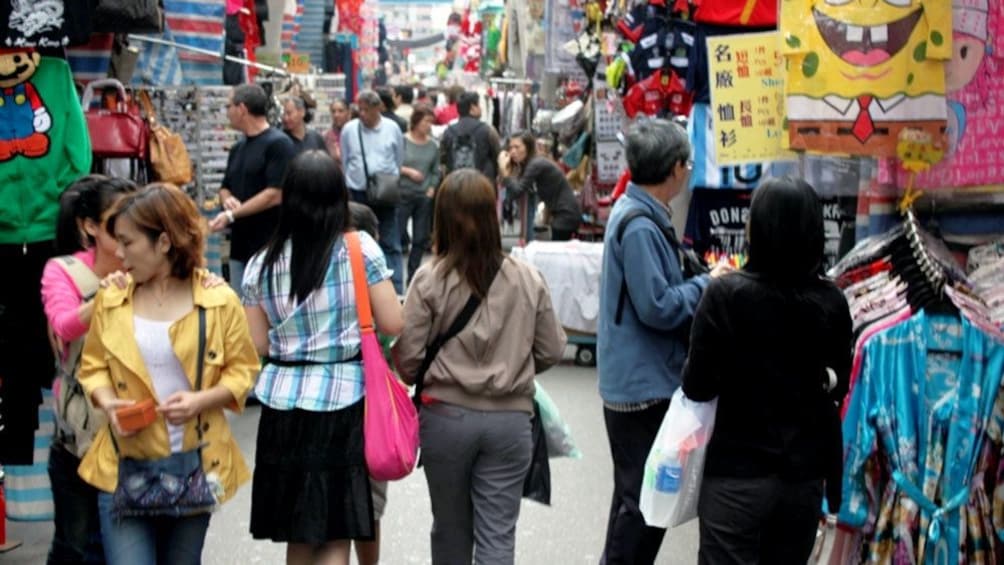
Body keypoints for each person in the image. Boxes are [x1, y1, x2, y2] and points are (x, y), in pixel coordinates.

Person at [77, 183, 260, 565]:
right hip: (123, 465)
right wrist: (111, 405)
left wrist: (200, 401)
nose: (119, 252)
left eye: (127, 242)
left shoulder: (217, 299)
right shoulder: (112, 298)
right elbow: (92, 367)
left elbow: (244, 370)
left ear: (163, 242)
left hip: (194, 464)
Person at [393, 169, 567, 565]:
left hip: (445, 419)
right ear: (492, 215)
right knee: (498, 537)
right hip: (510, 422)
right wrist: (514, 365)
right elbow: (553, 349)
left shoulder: (428, 280)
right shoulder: (527, 277)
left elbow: (408, 361)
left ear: (441, 219)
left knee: (450, 531)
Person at [243, 150, 403, 565]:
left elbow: (258, 344)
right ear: (339, 196)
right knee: (335, 530)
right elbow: (393, 321)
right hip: (342, 401)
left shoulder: (262, 263)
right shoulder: (358, 249)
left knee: (300, 531)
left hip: (282, 407)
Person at [682, 177, 852, 565]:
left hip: (735, 479)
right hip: (802, 480)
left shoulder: (725, 295)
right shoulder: (830, 302)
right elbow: (839, 382)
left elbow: (698, 386)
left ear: (755, 228)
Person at [597, 119, 731, 564]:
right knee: (643, 506)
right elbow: (656, 306)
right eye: (687, 164)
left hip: (637, 380)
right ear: (674, 168)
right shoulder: (639, 225)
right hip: (642, 387)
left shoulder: (641, 215)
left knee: (633, 502)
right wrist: (707, 285)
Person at [41, 175, 137, 564]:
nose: (129, 230)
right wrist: (106, 297)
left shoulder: (149, 266)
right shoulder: (63, 271)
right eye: (117, 220)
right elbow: (63, 326)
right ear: (90, 226)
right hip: (81, 437)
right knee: (75, 545)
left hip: (137, 430)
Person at [209, 84, 296, 298]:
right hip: (240, 246)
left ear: (242, 109)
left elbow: (275, 194)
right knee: (242, 307)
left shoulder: (278, 144)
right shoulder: (239, 148)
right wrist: (227, 199)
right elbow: (225, 186)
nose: (226, 111)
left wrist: (232, 214)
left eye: (228, 106)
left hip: (269, 244)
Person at [340, 89, 405, 294]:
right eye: (359, 109)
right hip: (358, 192)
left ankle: (395, 289)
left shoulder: (392, 128)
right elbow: (345, 159)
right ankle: (360, 287)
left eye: (366, 110)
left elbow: (399, 157)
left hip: (386, 192)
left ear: (378, 109)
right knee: (356, 240)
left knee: (390, 240)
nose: (362, 114)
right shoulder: (350, 129)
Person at [499, 130, 582, 242]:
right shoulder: (532, 163)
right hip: (562, 215)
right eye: (511, 148)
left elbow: (517, 191)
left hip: (565, 216)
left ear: (527, 147)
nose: (513, 152)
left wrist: (504, 171)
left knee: (556, 253)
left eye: (517, 147)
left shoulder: (535, 164)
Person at [397, 105, 441, 285]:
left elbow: (435, 170)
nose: (429, 125)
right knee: (398, 234)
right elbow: (392, 163)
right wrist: (408, 172)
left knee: (420, 237)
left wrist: (432, 188)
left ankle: (413, 275)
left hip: (423, 196)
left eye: (431, 122)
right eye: (425, 121)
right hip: (403, 193)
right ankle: (395, 274)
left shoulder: (433, 145)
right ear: (416, 122)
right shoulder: (402, 141)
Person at [440, 91, 501, 182]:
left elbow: (442, 160)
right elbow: (498, 157)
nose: (481, 109)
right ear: (472, 108)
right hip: (482, 185)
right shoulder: (488, 130)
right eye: (479, 105)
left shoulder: (448, 131)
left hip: (454, 185)